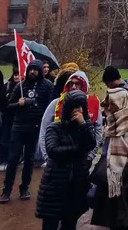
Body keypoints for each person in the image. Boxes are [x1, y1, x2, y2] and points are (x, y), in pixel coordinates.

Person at [90, 87, 128, 230]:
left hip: (127, 179)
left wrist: (125, 172)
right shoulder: (113, 119)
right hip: (110, 178)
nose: (109, 107)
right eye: (108, 104)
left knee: (124, 220)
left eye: (112, 104)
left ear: (121, 102)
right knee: (111, 219)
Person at [36, 90, 96, 230]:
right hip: (55, 185)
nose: (78, 111)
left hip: (76, 185)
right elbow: (53, 151)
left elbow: (91, 144)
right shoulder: (55, 128)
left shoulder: (85, 127)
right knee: (50, 223)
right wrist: (77, 149)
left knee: (69, 224)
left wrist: (83, 124)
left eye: (81, 107)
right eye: (75, 107)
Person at [1, 58, 55, 203]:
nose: (32, 72)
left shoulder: (48, 86)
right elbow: (9, 106)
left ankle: (24, 187)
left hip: (35, 127)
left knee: (29, 159)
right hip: (19, 126)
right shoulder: (20, 86)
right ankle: (6, 190)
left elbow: (51, 107)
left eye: (35, 69)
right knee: (13, 159)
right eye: (30, 69)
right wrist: (19, 104)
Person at [39, 70, 102, 165]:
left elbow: (98, 131)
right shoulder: (56, 104)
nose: (73, 87)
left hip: (82, 160)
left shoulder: (93, 104)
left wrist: (91, 156)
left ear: (84, 86)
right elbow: (44, 129)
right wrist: (47, 157)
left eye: (77, 84)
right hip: (58, 159)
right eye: (71, 83)